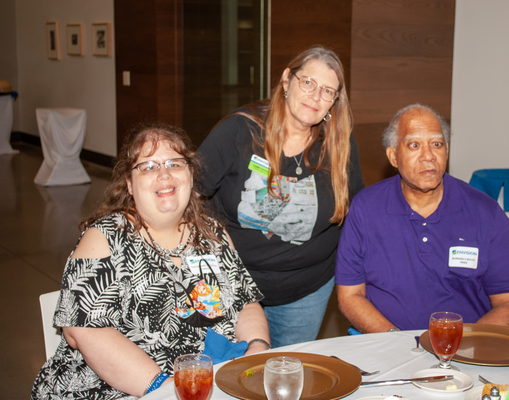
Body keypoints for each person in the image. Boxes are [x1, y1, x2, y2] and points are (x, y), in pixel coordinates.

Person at [32, 122, 269, 399]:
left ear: (190, 174)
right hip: (117, 388)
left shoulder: (213, 233)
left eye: (175, 163)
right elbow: (84, 332)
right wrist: (165, 388)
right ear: (129, 184)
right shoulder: (105, 239)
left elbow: (246, 304)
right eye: (148, 167)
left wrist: (257, 347)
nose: (164, 175)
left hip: (205, 383)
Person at [196, 46, 364, 347]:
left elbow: (357, 211)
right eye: (308, 82)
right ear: (287, 80)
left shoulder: (339, 143)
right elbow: (191, 195)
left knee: (285, 378)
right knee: (233, 376)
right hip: (233, 285)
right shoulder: (240, 130)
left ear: (334, 102)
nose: (315, 96)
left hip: (305, 290)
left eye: (328, 91)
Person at [335, 104, 509, 332]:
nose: (428, 156)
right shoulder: (365, 208)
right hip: (386, 342)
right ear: (393, 156)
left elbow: (507, 304)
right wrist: (397, 343)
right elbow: (350, 296)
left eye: (437, 144)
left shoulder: (486, 213)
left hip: (465, 349)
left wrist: (454, 345)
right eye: (414, 145)